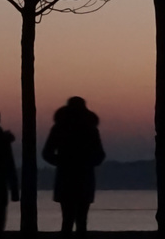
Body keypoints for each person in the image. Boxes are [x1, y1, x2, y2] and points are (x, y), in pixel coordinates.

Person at [41, 96, 106, 234]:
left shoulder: (60, 128)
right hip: (82, 177)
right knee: (80, 220)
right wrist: (87, 162)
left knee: (68, 219)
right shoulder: (90, 129)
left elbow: (47, 153)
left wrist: (62, 162)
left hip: (67, 177)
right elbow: (100, 155)